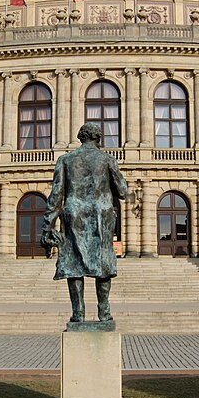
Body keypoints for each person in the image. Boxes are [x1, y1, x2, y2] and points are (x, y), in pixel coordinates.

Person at [41, 123, 128, 323]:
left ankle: (78, 313)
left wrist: (47, 226)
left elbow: (56, 196)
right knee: (103, 262)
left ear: (81, 137)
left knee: (74, 263)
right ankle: (104, 312)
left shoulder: (65, 160)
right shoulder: (107, 160)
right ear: (98, 139)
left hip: (74, 215)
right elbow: (122, 191)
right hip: (101, 216)